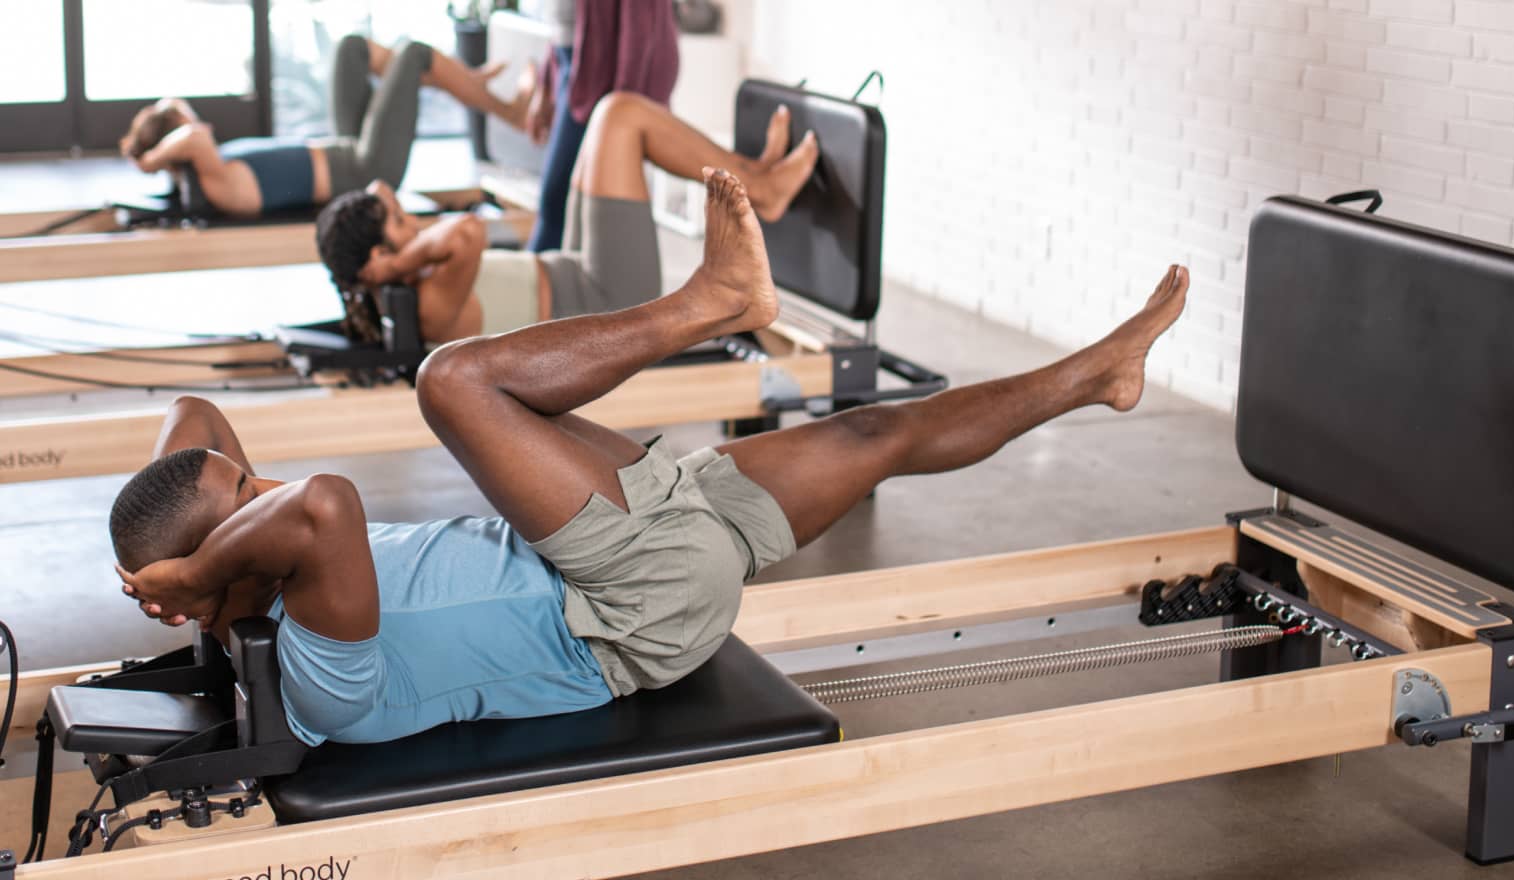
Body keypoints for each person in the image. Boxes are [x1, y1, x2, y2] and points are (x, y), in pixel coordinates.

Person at [110, 169, 1191, 746]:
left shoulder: (253, 567)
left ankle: (1096, 371)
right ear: (223, 566)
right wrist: (195, 583)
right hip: (626, 604)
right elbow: (325, 506)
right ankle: (709, 302)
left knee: (880, 431)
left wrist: (165, 567)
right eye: (245, 498)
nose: (268, 486)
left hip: (622, 534)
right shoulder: (315, 665)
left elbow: (197, 416)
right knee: (451, 380)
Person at [314, 91, 817, 345]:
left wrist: (388, 240)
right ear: (378, 262)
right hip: (607, 301)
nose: (416, 226)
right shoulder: (423, 305)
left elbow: (382, 192)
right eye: (401, 223)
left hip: (573, 266)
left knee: (605, 114)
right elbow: (467, 231)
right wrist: (394, 265)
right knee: (622, 115)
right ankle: (765, 188)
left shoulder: (407, 282)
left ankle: (755, 173)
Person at [119, 35, 528, 218]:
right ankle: (505, 109)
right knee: (413, 54)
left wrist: (154, 137)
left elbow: (175, 107)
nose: (198, 121)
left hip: (347, 146)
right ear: (175, 149)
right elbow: (192, 135)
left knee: (351, 47)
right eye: (186, 124)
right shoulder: (213, 179)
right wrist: (150, 160)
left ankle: (469, 82)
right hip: (369, 168)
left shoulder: (210, 163)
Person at [524, 0, 681, 252]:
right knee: (565, 206)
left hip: (604, 79)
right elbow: (565, 24)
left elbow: (639, 30)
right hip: (572, 67)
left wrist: (623, 114)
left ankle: (530, 289)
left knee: (557, 201)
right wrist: (545, 83)